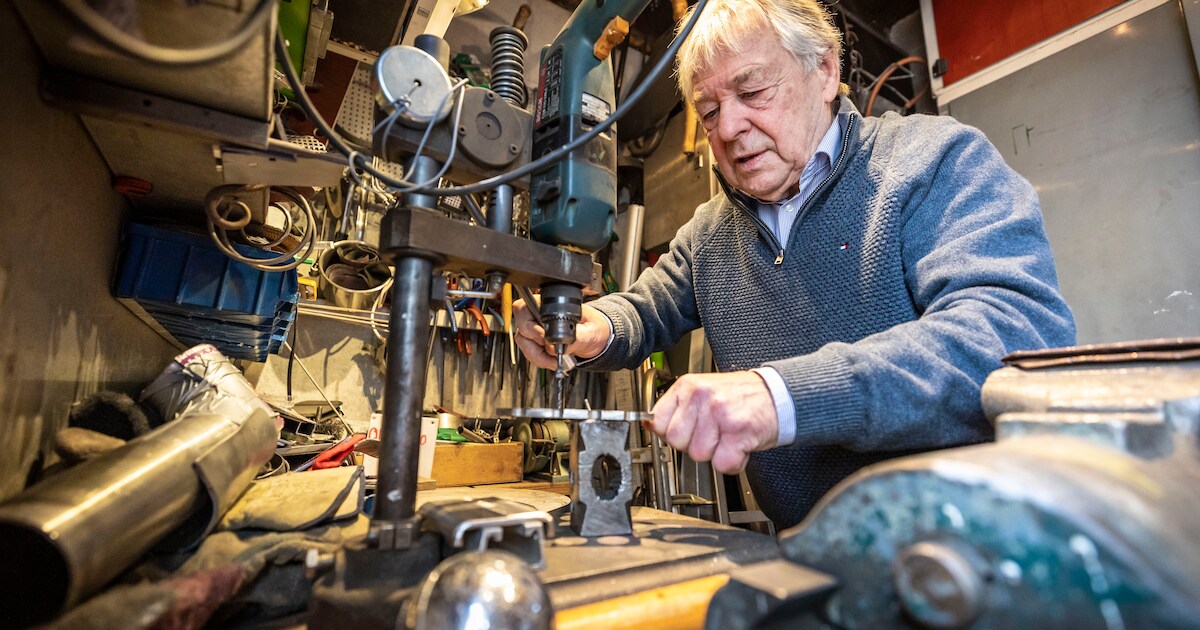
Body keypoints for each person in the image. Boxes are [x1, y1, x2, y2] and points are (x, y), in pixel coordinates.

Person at [514, 0, 1076, 530]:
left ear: (825, 72)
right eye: (708, 111)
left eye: (753, 90)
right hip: (807, 556)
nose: (728, 128)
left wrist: (782, 396)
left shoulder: (933, 162)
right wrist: (589, 327)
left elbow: (1013, 336)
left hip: (969, 551)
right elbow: (644, 310)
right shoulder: (710, 232)